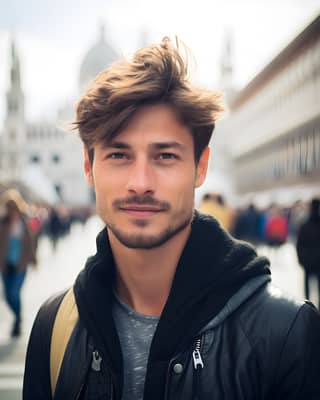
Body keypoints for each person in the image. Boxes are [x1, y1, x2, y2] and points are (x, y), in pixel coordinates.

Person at [23, 38, 320, 399]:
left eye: (164, 156)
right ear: (89, 167)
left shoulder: (285, 333)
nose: (141, 184)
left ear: (201, 167)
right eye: (118, 155)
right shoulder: (54, 328)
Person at [0, 189, 37, 337]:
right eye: (9, 207)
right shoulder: (2, 223)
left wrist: (33, 258)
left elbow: (32, 241)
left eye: (13, 207)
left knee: (14, 293)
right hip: (5, 264)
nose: (11, 211)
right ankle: (17, 316)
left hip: (21, 264)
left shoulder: (25, 222)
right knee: (8, 295)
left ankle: (17, 320)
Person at [296, 198, 320, 309]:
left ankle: (307, 305)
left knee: (307, 285)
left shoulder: (304, 224)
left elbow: (299, 244)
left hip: (307, 260)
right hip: (318, 260)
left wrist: (301, 259)